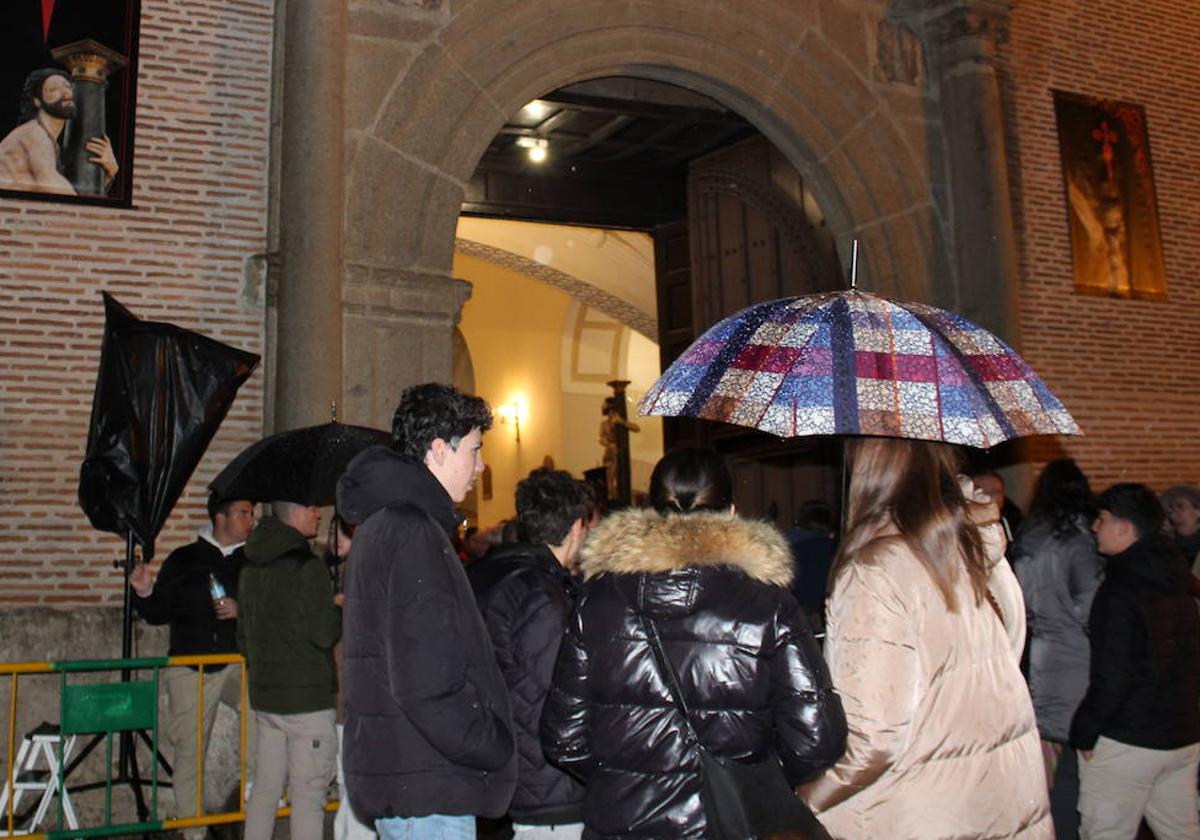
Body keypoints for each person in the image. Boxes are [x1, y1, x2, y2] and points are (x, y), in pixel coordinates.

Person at [541, 447, 847, 839]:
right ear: (732, 513)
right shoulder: (767, 606)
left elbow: (562, 738)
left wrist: (623, 779)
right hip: (732, 824)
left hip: (622, 824)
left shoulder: (597, 602)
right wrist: (756, 777)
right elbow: (819, 737)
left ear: (650, 514)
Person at [799, 438, 1051, 839]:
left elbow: (873, 738)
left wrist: (802, 800)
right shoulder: (975, 545)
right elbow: (1012, 645)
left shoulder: (877, 570)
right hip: (998, 795)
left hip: (914, 807)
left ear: (869, 467)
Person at [336, 383, 516, 840]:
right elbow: (427, 683)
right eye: (474, 450)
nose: (480, 466)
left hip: (409, 778)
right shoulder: (413, 531)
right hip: (429, 789)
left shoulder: (383, 524)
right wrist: (491, 741)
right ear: (438, 449)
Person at [1069, 483, 1200, 840]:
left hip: (1129, 739)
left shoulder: (1120, 590)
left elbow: (1113, 675)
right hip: (1182, 736)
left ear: (1125, 528)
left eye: (1102, 519)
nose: (1095, 528)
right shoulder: (1179, 581)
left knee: (1107, 832)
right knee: (1183, 833)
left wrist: (1084, 731)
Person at [469, 469, 590, 838]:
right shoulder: (541, 594)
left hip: (514, 771)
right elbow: (560, 695)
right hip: (549, 787)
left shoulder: (494, 576)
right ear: (576, 528)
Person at [130, 493, 256, 839]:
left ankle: (255, 803)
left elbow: (268, 612)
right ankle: (194, 833)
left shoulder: (252, 561)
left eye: (251, 513)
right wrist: (143, 592)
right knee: (189, 751)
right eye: (244, 513)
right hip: (191, 665)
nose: (251, 520)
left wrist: (240, 609)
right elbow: (159, 612)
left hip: (234, 661)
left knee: (264, 715)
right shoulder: (184, 559)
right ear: (221, 518)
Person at [238, 500, 342, 840]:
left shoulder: (250, 567)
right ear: (295, 512)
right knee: (308, 798)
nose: (318, 514)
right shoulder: (307, 568)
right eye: (312, 508)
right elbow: (324, 633)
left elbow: (243, 639)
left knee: (265, 792)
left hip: (267, 701)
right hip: (306, 703)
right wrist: (335, 608)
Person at [1011, 458, 1103, 840]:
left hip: (1035, 658)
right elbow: (1090, 608)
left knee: (1042, 769)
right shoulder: (1079, 543)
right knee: (1080, 771)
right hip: (1076, 661)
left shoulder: (1026, 538)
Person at [326, 516, 376, 840]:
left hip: (350, 697)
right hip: (349, 697)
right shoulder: (349, 575)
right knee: (352, 786)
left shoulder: (356, 576)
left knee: (351, 787)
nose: (334, 539)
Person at [0, 68, 118, 195]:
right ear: (37, 101)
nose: (67, 93)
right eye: (54, 89)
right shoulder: (33, 133)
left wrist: (110, 173)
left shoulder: (50, 142)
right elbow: (52, 184)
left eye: (67, 86)